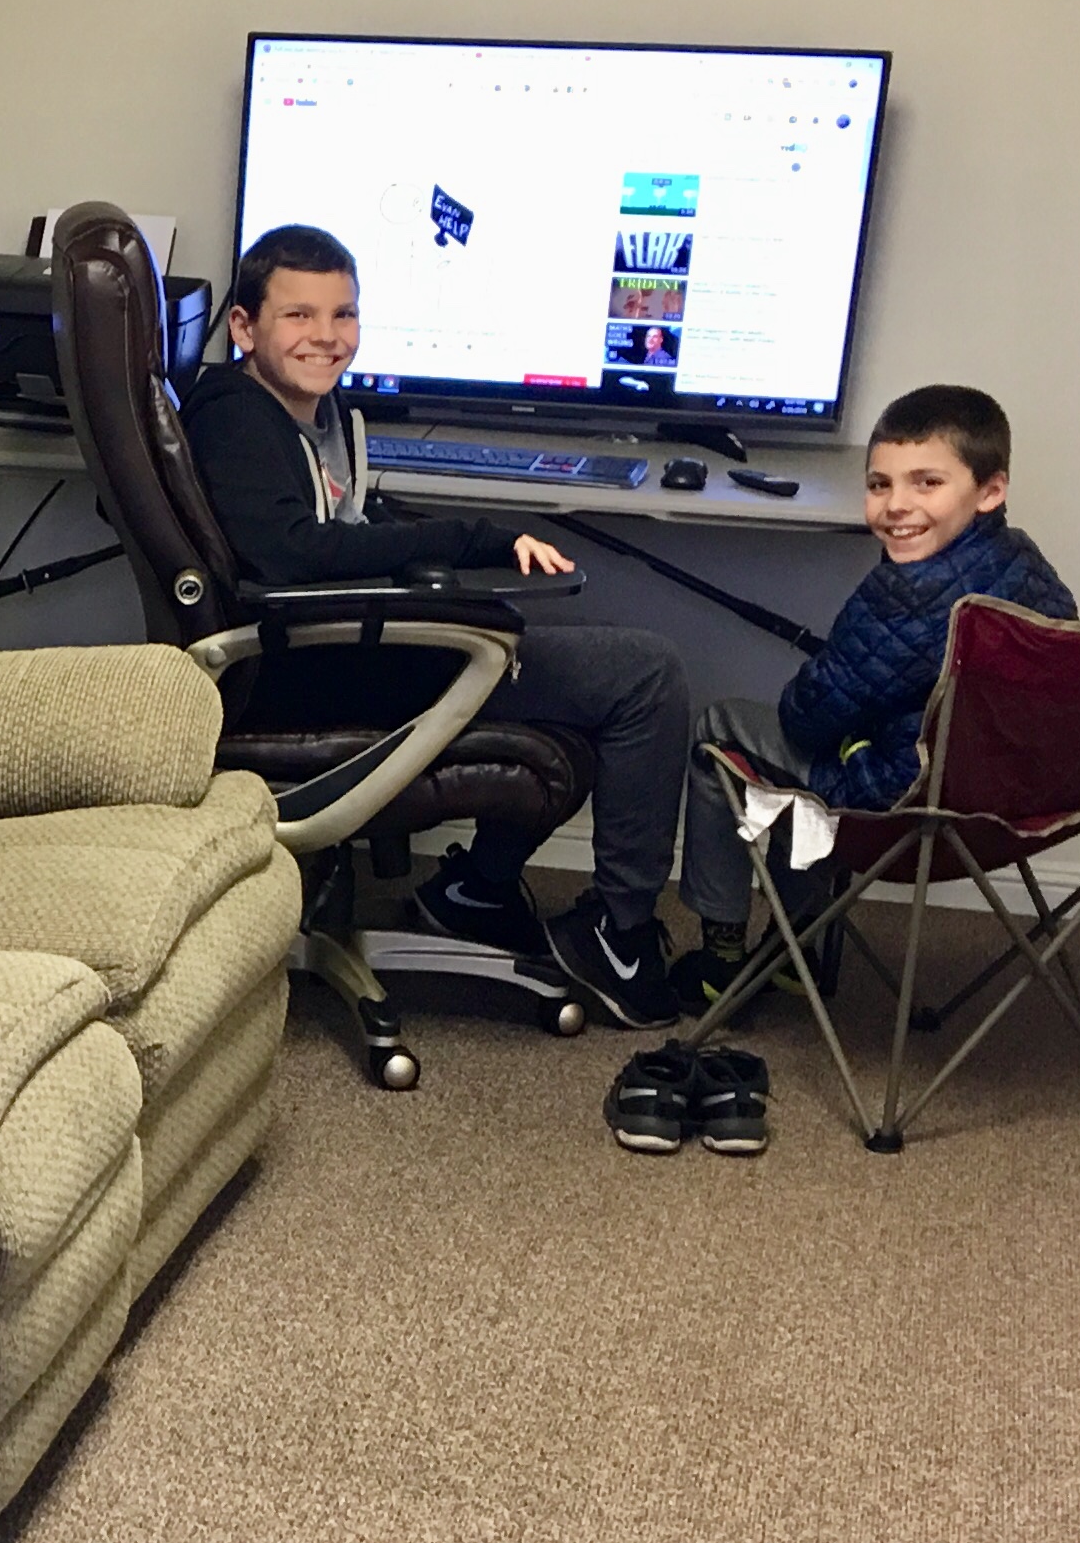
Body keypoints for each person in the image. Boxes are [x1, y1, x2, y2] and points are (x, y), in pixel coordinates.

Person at [176, 223, 696, 1028]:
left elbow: (346, 519)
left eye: (343, 314)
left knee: (539, 649)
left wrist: (482, 541)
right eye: (298, 316)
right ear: (243, 327)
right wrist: (464, 539)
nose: (326, 336)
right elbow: (288, 553)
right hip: (314, 666)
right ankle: (617, 940)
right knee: (645, 675)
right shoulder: (237, 421)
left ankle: (479, 892)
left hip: (348, 645)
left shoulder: (309, 413)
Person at [668, 383, 1077, 1013]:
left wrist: (845, 709)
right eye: (879, 485)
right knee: (842, 729)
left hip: (902, 803)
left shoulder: (901, 592)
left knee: (721, 728)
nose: (896, 506)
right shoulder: (1023, 559)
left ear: (990, 490)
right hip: (1012, 799)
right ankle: (794, 949)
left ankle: (724, 961)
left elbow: (804, 718)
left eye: (926, 483)